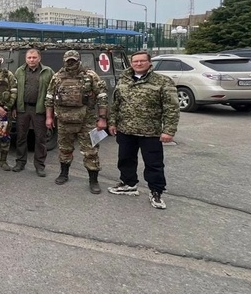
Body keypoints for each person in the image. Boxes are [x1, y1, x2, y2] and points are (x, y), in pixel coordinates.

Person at [107, 50, 180, 209]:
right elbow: (116, 104)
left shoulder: (162, 81)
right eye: (135, 61)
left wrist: (169, 131)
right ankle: (128, 184)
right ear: (131, 63)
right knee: (125, 159)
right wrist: (112, 123)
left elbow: (171, 108)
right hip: (126, 129)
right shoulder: (124, 80)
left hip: (150, 131)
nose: (138, 64)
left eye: (142, 61)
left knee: (154, 163)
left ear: (149, 63)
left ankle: (156, 191)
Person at [45, 50, 108, 193]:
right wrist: (49, 117)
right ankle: (63, 174)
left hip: (87, 121)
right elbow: (49, 98)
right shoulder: (57, 77)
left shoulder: (90, 76)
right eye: (68, 60)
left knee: (90, 152)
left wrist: (102, 118)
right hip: (64, 120)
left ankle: (93, 181)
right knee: (64, 149)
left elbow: (102, 96)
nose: (71, 63)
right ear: (64, 61)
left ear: (79, 60)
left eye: (73, 60)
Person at [12, 48, 54, 177]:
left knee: (40, 139)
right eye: (29, 57)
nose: (31, 60)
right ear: (26, 59)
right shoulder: (19, 71)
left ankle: (40, 166)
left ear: (39, 58)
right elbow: (14, 90)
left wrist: (50, 114)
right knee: (21, 137)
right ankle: (20, 162)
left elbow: (53, 92)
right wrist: (14, 107)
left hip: (39, 109)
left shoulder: (48, 72)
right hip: (22, 109)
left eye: (34, 57)